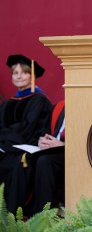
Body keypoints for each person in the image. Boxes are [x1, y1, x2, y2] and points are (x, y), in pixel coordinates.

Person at [0, 54, 53, 213]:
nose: (19, 76)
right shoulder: (8, 103)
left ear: (32, 75)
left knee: (16, 163)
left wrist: (5, 139)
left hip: (28, 145)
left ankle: (13, 213)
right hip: (7, 146)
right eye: (15, 73)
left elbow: (28, 127)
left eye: (23, 72)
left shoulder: (39, 100)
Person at [29, 100, 65, 214]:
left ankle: (43, 215)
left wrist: (63, 145)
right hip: (54, 151)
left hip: (77, 154)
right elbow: (46, 131)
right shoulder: (60, 106)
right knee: (25, 159)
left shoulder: (90, 105)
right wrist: (42, 141)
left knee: (45, 161)